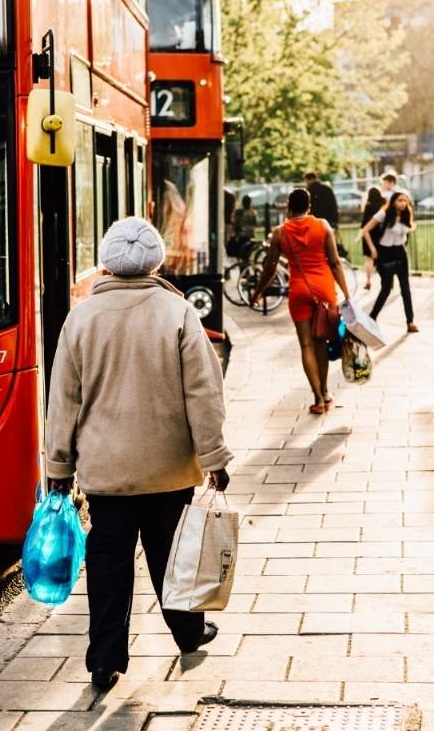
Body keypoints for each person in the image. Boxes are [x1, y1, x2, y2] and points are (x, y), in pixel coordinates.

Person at [46, 217, 233, 688]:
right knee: (170, 554)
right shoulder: (178, 312)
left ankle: (104, 658)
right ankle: (189, 634)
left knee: (108, 559)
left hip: (105, 470)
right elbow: (204, 393)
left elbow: (63, 399)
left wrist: (58, 468)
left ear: (107, 260)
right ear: (156, 260)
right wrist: (214, 457)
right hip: (169, 469)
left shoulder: (81, 318)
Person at [251, 189, 350, 414]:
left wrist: (257, 294)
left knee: (306, 345)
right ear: (309, 206)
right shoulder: (323, 226)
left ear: (288, 208)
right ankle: (325, 393)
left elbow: (269, 269)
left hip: (299, 291)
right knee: (321, 342)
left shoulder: (280, 232)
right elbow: (335, 262)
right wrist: (347, 294)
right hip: (324, 290)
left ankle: (317, 399)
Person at [362, 192, 418, 333]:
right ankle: (373, 316)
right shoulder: (384, 214)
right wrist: (373, 249)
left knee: (405, 289)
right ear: (393, 202)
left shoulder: (406, 216)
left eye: (405, 201)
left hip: (400, 252)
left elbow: (408, 231)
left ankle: (410, 321)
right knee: (387, 288)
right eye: (400, 200)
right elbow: (365, 230)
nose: (403, 203)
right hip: (385, 253)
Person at [358, 186, 386, 290]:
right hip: (380, 234)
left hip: (369, 234)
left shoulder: (368, 206)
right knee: (382, 259)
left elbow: (363, 224)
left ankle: (368, 281)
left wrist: (359, 236)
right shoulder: (383, 205)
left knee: (369, 259)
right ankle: (386, 281)